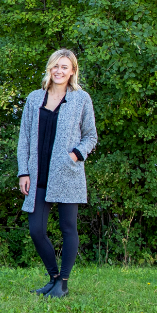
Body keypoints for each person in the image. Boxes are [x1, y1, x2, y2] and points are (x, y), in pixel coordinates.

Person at [17, 49, 97, 298]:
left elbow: (90, 136)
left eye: (65, 67)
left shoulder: (81, 99)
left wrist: (75, 155)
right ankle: (53, 276)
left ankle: (63, 282)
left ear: (72, 71)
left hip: (67, 173)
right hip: (38, 173)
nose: (59, 71)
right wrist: (23, 172)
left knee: (68, 228)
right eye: (55, 66)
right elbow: (24, 139)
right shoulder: (34, 98)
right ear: (49, 69)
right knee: (36, 230)